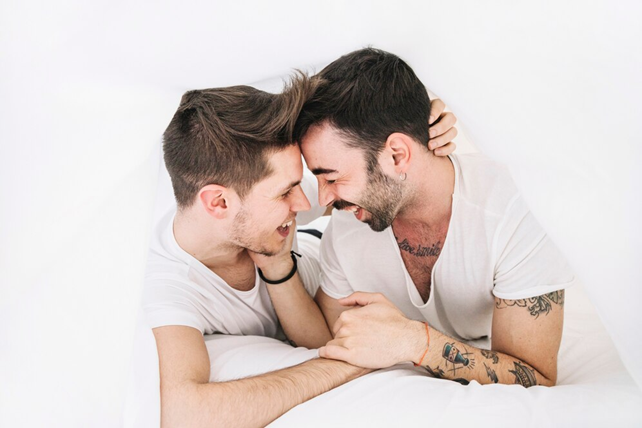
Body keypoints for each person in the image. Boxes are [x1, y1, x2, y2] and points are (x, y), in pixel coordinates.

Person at [142, 77, 458, 427]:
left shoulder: (268, 189)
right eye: (285, 193)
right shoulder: (166, 283)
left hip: (332, 260)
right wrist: (349, 364)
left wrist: (416, 129)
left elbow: (361, 168)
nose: (306, 202)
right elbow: (184, 413)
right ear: (219, 202)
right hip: (329, 299)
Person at [294, 48, 574, 388]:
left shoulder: (513, 211)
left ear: (397, 155)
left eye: (332, 177)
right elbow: (328, 335)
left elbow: (535, 376)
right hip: (307, 247)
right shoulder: (346, 227)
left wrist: (416, 342)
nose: (323, 199)